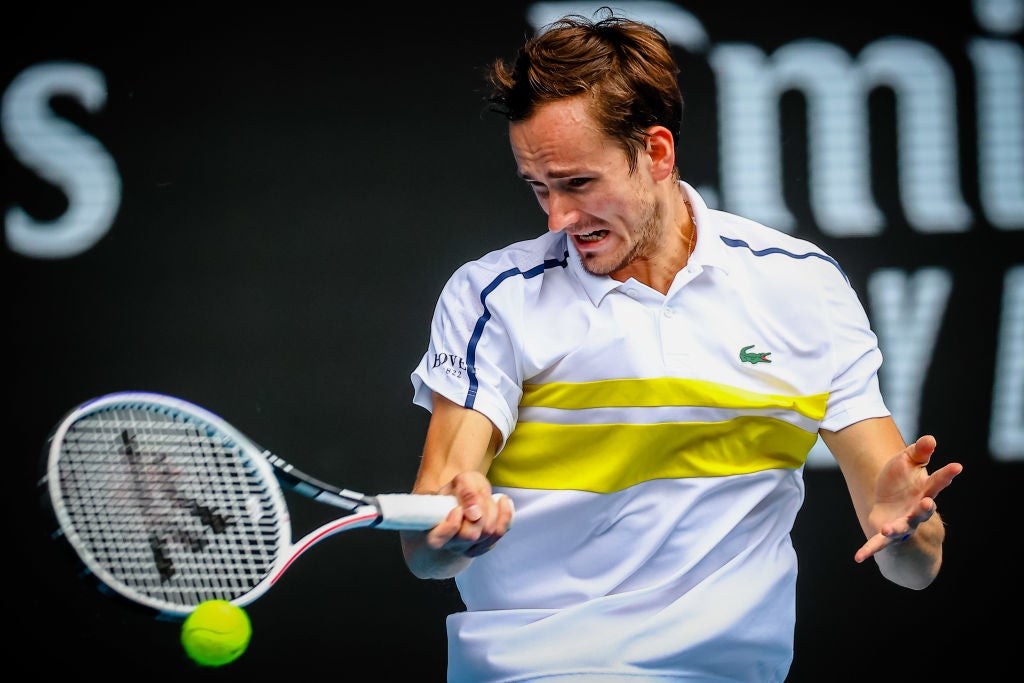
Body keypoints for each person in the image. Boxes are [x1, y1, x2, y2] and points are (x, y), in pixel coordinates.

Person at [399, 9, 964, 682]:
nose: (556, 217)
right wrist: (451, 529)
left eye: (578, 183)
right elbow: (425, 543)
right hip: (533, 671)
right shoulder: (491, 296)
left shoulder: (803, 287)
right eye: (538, 188)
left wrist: (908, 529)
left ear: (657, 153)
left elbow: (914, 566)